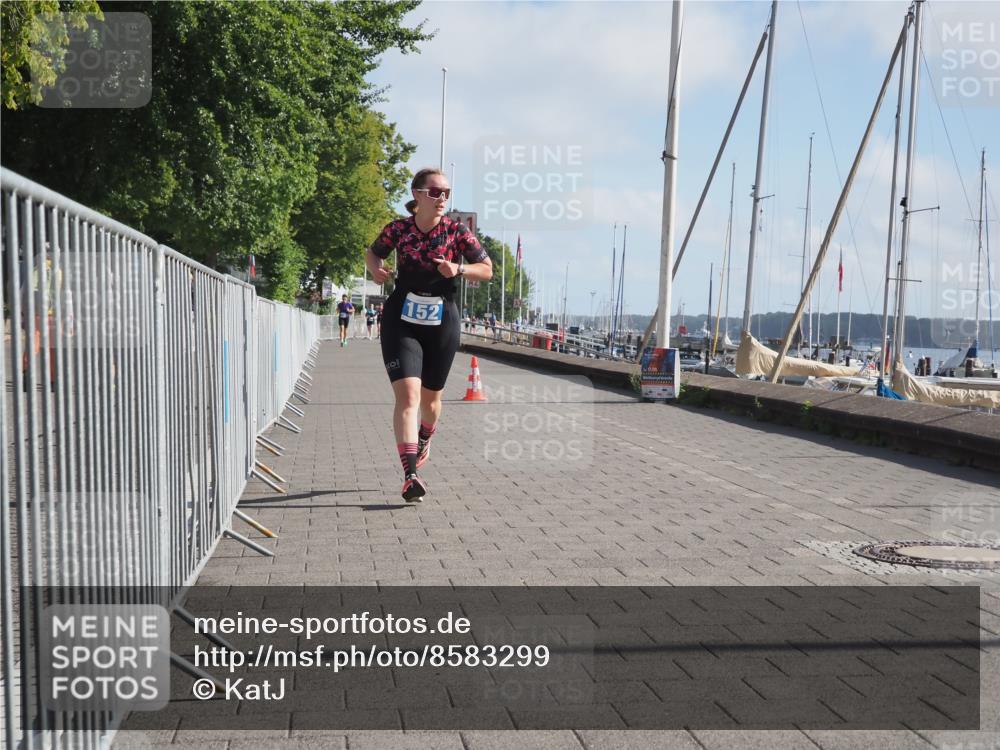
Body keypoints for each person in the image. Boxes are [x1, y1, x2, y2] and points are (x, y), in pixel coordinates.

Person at [366, 168, 493, 502]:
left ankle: (425, 435)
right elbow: (373, 251)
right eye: (436, 192)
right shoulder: (399, 229)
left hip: (442, 319)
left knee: (431, 401)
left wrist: (459, 269)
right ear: (417, 194)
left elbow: (487, 269)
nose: (443, 199)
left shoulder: (456, 231)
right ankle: (410, 474)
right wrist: (375, 269)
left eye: (447, 193)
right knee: (408, 397)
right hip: (402, 318)